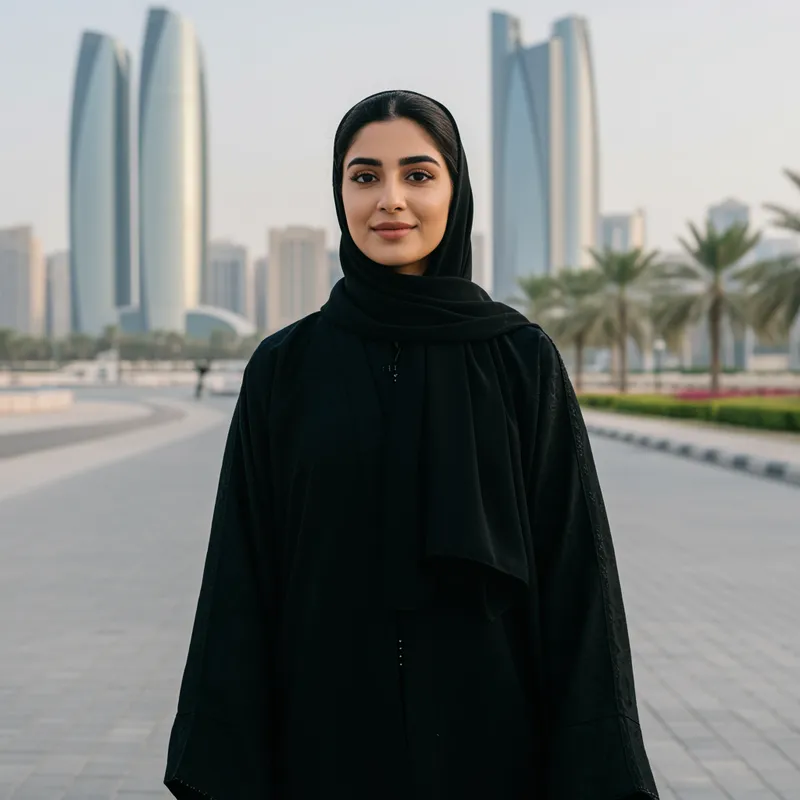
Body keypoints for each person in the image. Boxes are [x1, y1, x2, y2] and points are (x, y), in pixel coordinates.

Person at [164, 90, 660, 800]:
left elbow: (575, 572)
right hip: (322, 742)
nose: (390, 200)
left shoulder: (518, 358)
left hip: (492, 744)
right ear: (340, 193)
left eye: (418, 175)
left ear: (455, 193)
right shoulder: (287, 366)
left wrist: (591, 768)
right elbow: (242, 574)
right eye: (365, 176)